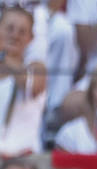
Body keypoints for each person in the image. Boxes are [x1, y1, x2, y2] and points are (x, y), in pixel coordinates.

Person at [0, 6, 47, 156]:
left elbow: (32, 87)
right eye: (10, 29)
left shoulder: (36, 67)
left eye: (22, 31)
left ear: (31, 38)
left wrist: (3, 56)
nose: (15, 35)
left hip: (23, 157)